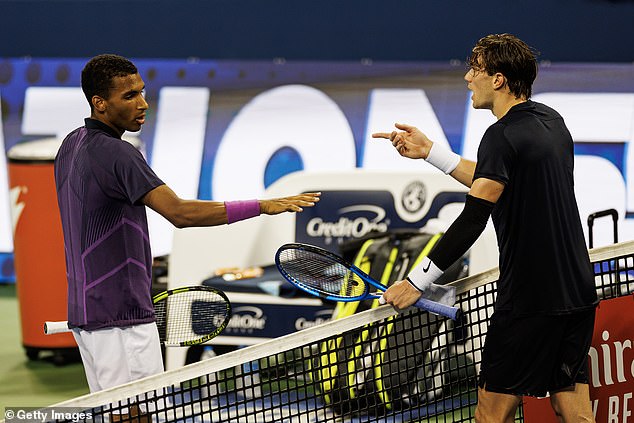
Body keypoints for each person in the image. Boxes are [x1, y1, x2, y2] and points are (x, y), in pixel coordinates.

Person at [54, 54, 320, 414]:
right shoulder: (119, 155)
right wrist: (262, 205)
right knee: (138, 414)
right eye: (129, 96)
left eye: (142, 92)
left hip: (87, 314)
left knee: (113, 414)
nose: (143, 103)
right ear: (100, 103)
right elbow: (179, 213)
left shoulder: (71, 145)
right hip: (121, 318)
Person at [373, 34, 597, 423]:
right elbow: (497, 181)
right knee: (572, 407)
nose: (466, 78)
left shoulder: (500, 135)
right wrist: (432, 153)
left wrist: (416, 281)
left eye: (474, 69)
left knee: (491, 415)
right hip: (577, 292)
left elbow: (474, 217)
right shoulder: (551, 123)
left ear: (498, 79)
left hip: (531, 300)